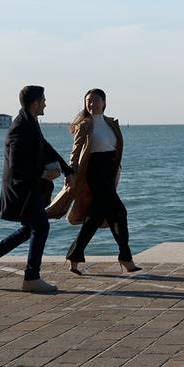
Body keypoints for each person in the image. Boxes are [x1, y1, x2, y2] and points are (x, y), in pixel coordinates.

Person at [0, 85, 73, 292]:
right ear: (35, 103)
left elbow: (45, 147)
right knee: (41, 227)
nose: (46, 103)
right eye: (43, 100)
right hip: (20, 189)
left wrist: (67, 169)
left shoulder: (29, 121)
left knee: (31, 228)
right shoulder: (20, 128)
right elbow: (16, 166)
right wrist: (43, 174)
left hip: (26, 188)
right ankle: (31, 278)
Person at [47, 88, 140, 274]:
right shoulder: (85, 125)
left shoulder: (112, 123)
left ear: (104, 103)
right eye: (88, 101)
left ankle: (74, 257)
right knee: (120, 212)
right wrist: (70, 172)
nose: (91, 104)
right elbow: (75, 152)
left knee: (95, 218)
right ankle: (126, 257)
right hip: (93, 172)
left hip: (110, 171)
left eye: (95, 101)